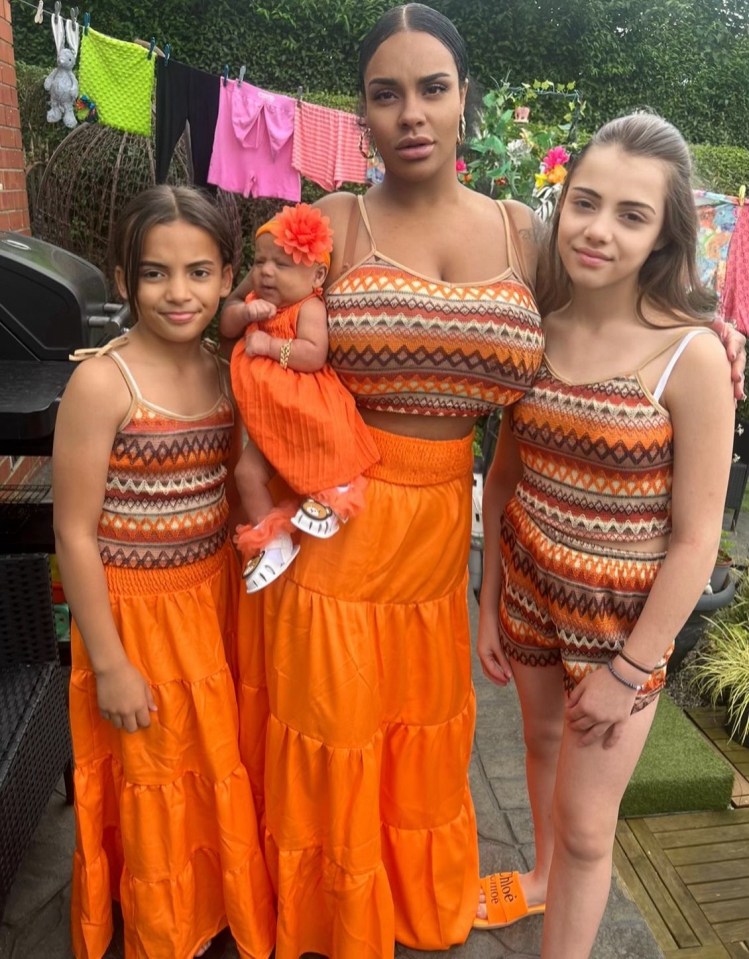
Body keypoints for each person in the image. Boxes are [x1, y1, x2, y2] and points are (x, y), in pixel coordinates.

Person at [222, 7, 746, 957]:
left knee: (420, 728)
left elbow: (612, 308)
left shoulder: (527, 235)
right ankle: (330, 912)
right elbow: (235, 319)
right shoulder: (325, 222)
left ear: (466, 99)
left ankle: (433, 891)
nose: (411, 113)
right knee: (329, 718)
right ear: (363, 113)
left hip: (437, 532)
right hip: (339, 509)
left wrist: (712, 335)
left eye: (432, 88)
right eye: (386, 94)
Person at [476, 112, 735, 959]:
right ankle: (540, 880)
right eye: (585, 202)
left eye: (631, 214)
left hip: (618, 627)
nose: (597, 229)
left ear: (663, 233)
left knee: (590, 829)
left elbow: (697, 540)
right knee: (539, 746)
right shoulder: (536, 324)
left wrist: (629, 671)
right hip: (527, 592)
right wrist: (487, 607)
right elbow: (505, 477)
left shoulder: (688, 356)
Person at [53, 185, 275, 959]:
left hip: (209, 601)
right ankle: (160, 924)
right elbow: (74, 533)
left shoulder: (225, 370)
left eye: (198, 272)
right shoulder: (102, 384)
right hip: (134, 620)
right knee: (151, 771)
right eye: (155, 274)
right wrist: (109, 663)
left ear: (227, 277)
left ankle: (211, 900)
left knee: (210, 760)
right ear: (122, 278)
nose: (178, 293)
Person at [220, 203, 380, 593]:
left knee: (314, 453)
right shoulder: (257, 298)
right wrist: (243, 313)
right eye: (260, 262)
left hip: (304, 408)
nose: (267, 272)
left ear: (317, 275)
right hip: (270, 418)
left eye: (283, 265)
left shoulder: (308, 308)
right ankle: (272, 540)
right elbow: (224, 324)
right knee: (246, 473)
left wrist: (270, 345)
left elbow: (314, 355)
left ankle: (335, 492)